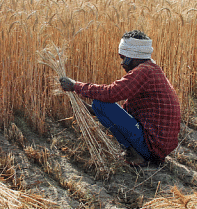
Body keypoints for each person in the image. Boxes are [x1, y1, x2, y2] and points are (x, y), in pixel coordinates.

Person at [59, 30, 181, 167]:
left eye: (124, 58)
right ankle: (137, 152)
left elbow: (110, 94)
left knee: (101, 103)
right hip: (158, 147)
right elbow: (120, 113)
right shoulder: (152, 69)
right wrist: (81, 105)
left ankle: (138, 154)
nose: (122, 63)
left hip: (151, 147)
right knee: (100, 105)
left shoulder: (143, 72)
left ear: (133, 57)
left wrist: (75, 85)